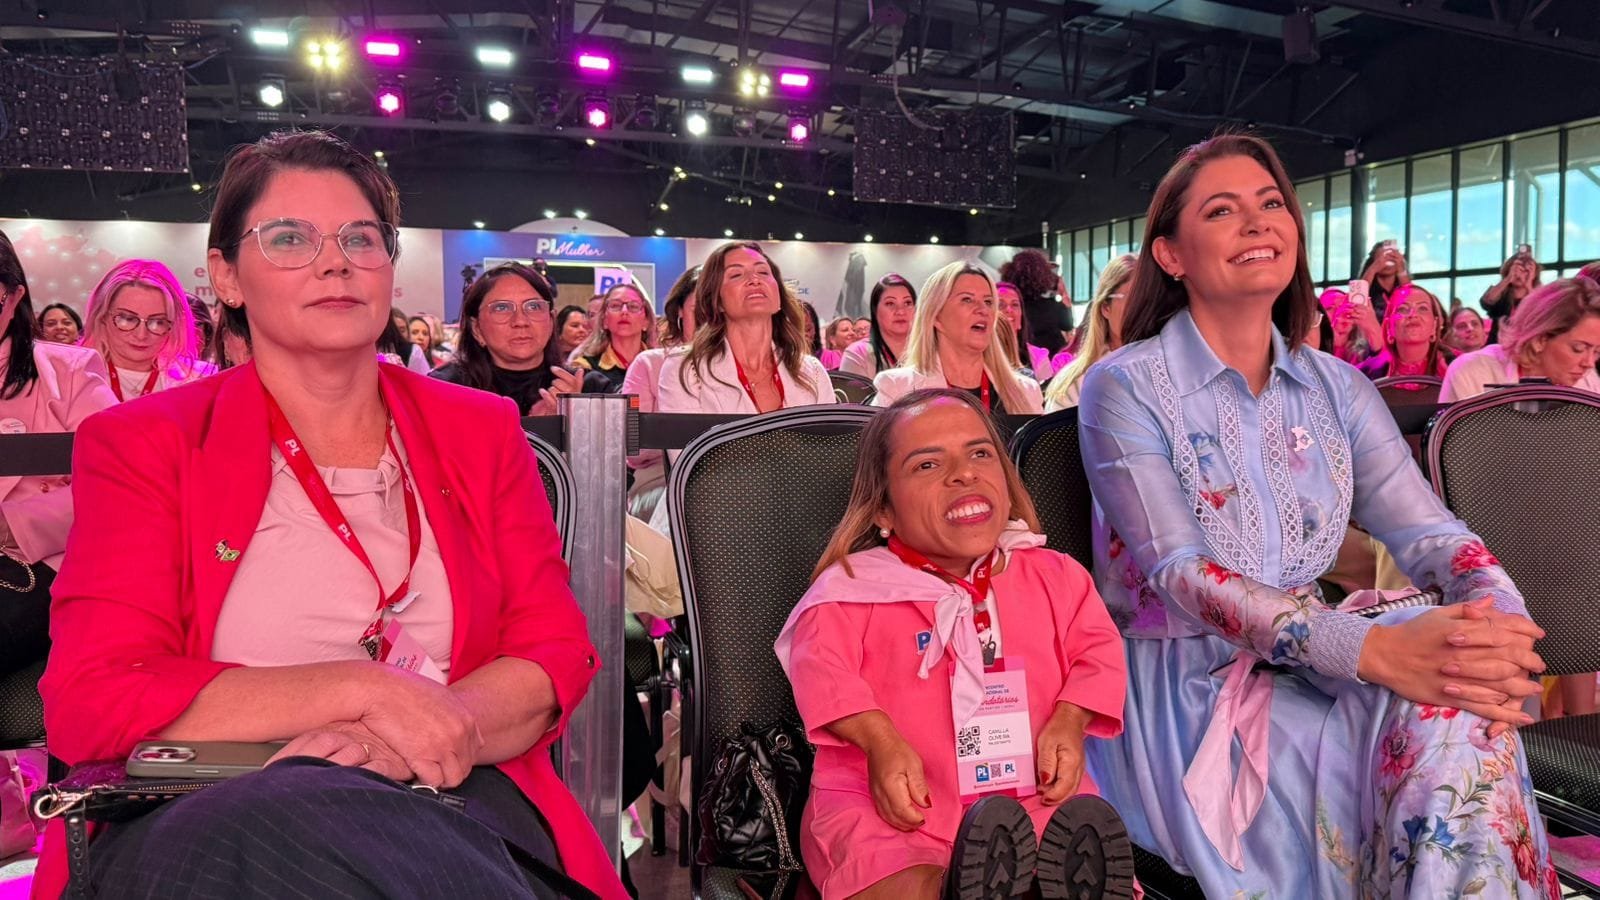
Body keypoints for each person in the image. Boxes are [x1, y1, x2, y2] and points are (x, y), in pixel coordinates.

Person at [36, 129, 624, 900]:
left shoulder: (478, 429)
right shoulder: (146, 441)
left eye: (361, 239)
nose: (335, 262)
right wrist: (365, 691)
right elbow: (93, 696)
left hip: (450, 792)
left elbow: (553, 652)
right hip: (214, 804)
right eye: (289, 238)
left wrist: (424, 730)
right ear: (227, 276)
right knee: (276, 836)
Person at [1078, 132, 1558, 899]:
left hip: (1318, 663)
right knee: (1449, 722)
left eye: (1271, 203)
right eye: (1222, 210)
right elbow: (1180, 573)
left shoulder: (1335, 387)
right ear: (1170, 254)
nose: (1257, 222)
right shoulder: (1126, 386)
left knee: (1460, 703)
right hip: (1188, 693)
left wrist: (1498, 619)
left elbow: (1430, 533)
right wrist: (1369, 648)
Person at [775, 389, 1134, 899]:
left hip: (1030, 795)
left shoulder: (1057, 576)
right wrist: (878, 738)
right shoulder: (848, 589)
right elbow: (822, 673)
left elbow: (1097, 654)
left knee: (1068, 842)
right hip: (893, 804)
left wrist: (1071, 718)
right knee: (887, 872)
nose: (964, 474)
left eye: (980, 454)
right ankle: (952, 890)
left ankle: (1033, 885)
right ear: (883, 510)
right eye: (927, 464)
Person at [0, 228, 117, 684]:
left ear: (14, 298)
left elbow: (117, 480)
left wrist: (15, 522)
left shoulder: (69, 371)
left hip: (36, 563)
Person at [657, 241, 834, 414]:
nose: (754, 280)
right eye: (736, 275)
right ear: (717, 301)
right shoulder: (685, 369)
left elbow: (828, 434)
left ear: (778, 296)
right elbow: (687, 436)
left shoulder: (812, 372)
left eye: (763, 272)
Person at [429, 262, 609, 414]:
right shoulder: (442, 389)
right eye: (501, 308)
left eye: (533, 307)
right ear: (476, 328)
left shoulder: (590, 389)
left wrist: (578, 422)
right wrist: (538, 430)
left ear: (551, 320)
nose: (520, 321)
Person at [870, 262, 1044, 416]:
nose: (983, 310)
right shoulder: (897, 389)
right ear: (936, 316)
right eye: (967, 299)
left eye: (988, 302)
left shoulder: (1026, 391)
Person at [1441, 276, 1600, 403]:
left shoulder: (1589, 381)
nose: (1589, 363)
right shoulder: (1473, 372)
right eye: (1578, 348)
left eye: (1597, 351)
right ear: (1539, 339)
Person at [80, 259, 216, 401]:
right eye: (128, 319)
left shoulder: (201, 379)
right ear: (102, 317)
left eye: (158, 322)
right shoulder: (74, 376)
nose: (141, 335)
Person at [622, 265, 698, 519]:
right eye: (699, 309)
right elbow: (633, 449)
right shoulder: (650, 363)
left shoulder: (743, 367)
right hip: (659, 479)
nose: (709, 319)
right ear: (679, 311)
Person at [1043, 255, 1136, 412]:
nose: (1146, 307)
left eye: (1155, 298)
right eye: (1134, 297)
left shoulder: (1173, 373)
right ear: (1106, 307)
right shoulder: (1075, 383)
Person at [1357, 283, 1454, 382]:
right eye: (1402, 309)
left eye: (1422, 308)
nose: (1413, 314)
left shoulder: (1456, 367)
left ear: (1434, 325)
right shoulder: (1364, 374)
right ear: (1389, 327)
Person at [573, 282, 654, 392]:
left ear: (646, 321)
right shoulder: (584, 367)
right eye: (615, 306)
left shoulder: (660, 364)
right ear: (604, 320)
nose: (624, 311)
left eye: (633, 306)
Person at [839, 274, 917, 378]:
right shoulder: (858, 354)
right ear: (875, 310)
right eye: (890, 303)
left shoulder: (930, 350)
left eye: (907, 303)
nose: (901, 311)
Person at [1000, 249, 1071, 356]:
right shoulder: (1052, 307)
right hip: (1052, 360)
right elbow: (1067, 325)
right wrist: (1063, 293)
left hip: (1021, 358)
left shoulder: (1013, 309)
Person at [996, 281, 1053, 381]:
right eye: (1001, 305)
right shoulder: (978, 354)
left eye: (1015, 305)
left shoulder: (1038, 356)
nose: (1009, 309)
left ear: (1020, 321)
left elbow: (1046, 390)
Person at [1481, 250, 1542, 344]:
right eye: (1517, 270)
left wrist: (1528, 284)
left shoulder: (1537, 295)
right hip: (1497, 346)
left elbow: (1541, 312)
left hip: (1525, 346)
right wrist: (1509, 278)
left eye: (1525, 271)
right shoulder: (1500, 293)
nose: (1519, 275)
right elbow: (1486, 301)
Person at [1354, 239, 1412, 320]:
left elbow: (1412, 298)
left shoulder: (1402, 285)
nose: (1386, 263)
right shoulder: (1367, 286)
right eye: (1381, 258)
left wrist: (1401, 268)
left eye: (1392, 258)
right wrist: (1373, 268)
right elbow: (1354, 301)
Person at [802, 301, 840, 369]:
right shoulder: (782, 362)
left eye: (808, 329)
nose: (804, 334)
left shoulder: (830, 358)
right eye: (798, 330)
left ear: (815, 329)